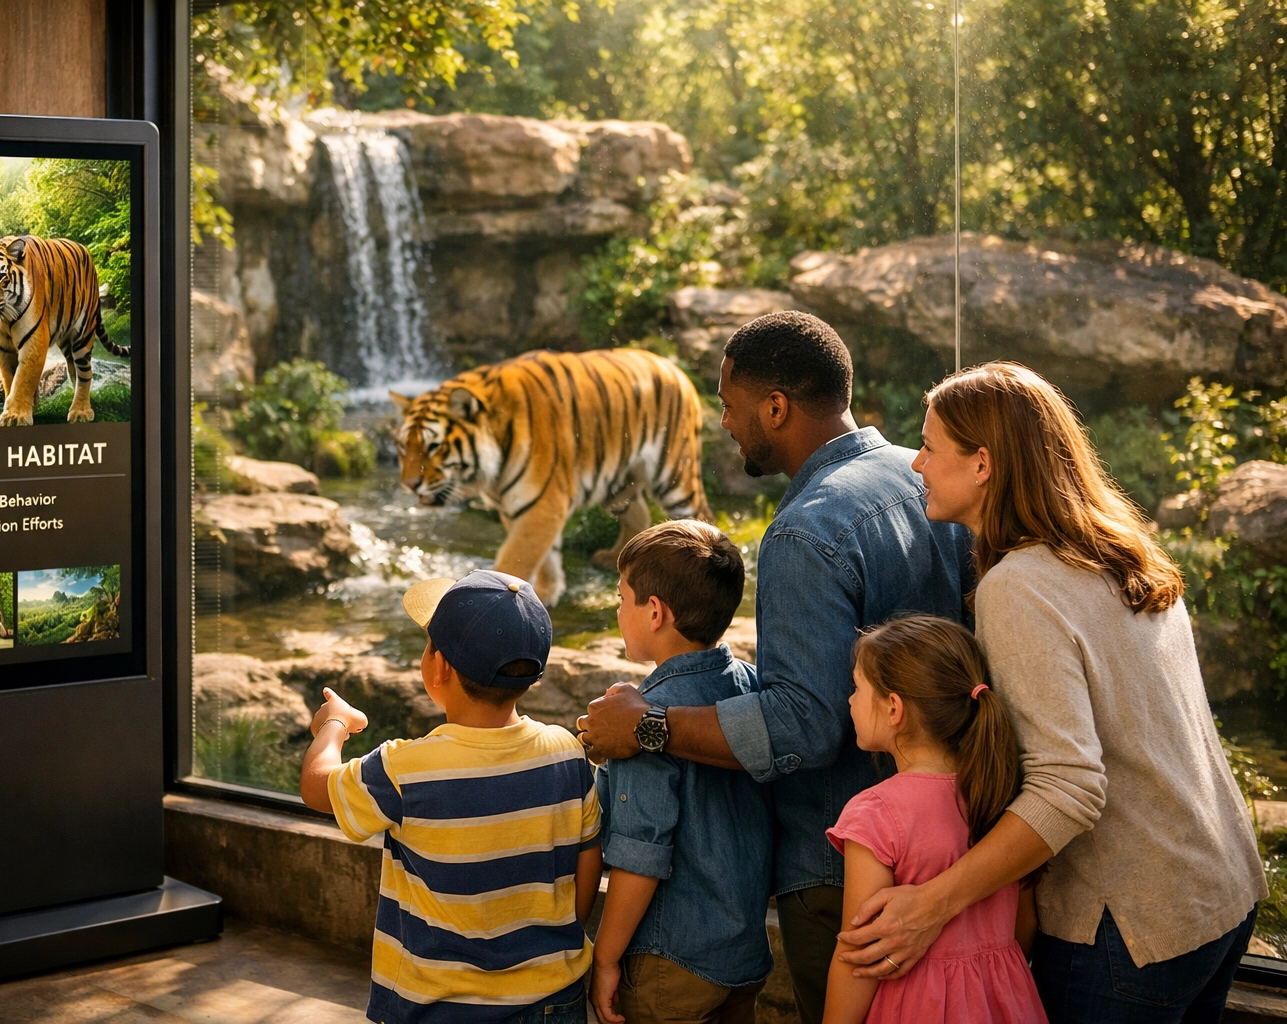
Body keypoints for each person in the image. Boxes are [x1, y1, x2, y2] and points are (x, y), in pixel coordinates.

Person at [835, 362, 1265, 1024]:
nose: (916, 463)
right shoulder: (1123, 550)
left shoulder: (1021, 586)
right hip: (1218, 890)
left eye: (930, 446)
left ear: (983, 464)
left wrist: (933, 903)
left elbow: (1069, 788)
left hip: (1130, 923)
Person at [578, 311, 975, 1024]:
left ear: (776, 406)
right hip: (949, 831)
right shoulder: (918, 478)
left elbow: (805, 723)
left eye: (729, 405)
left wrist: (648, 727)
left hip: (842, 865)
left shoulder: (805, 530)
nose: (724, 423)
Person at [300, 568, 603, 1024]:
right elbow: (588, 858)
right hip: (554, 999)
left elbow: (315, 784)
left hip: (437, 1007)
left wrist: (334, 724)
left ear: (437, 667)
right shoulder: (566, 752)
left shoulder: (406, 768)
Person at [590, 520, 774, 1024]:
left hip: (669, 964)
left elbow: (640, 858)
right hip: (743, 956)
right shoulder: (752, 688)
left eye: (622, 598)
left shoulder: (639, 721)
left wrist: (605, 957)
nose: (617, 609)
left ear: (654, 612)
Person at [824, 614, 1045, 1024]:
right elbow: (1024, 923)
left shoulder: (874, 814)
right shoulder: (1002, 795)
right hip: (1007, 1003)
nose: (850, 700)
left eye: (857, 689)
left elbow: (858, 952)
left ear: (894, 708)